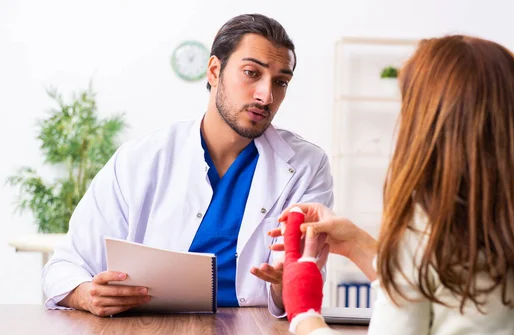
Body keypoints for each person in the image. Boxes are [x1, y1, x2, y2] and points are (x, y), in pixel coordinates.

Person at [273, 35, 514, 335]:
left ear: (428, 127)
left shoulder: (424, 240)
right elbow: (455, 296)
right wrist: (359, 245)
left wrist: (304, 316)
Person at [41, 13, 333, 318]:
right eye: (251, 73)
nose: (266, 95)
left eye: (280, 82)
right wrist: (86, 294)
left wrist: (283, 286)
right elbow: (63, 266)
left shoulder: (306, 166)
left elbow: (304, 285)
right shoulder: (140, 160)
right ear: (214, 70)